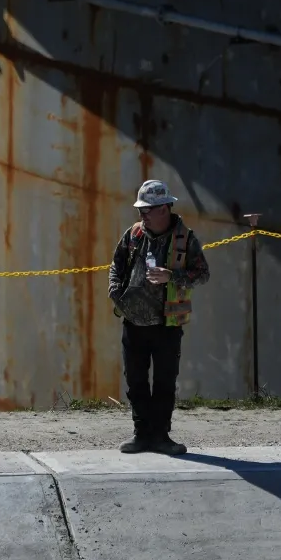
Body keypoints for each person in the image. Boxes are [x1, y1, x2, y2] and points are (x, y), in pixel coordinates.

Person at [107, 178, 210, 455]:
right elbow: (116, 264)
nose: (142, 216)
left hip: (167, 324)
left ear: (164, 209)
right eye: (141, 210)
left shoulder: (185, 239)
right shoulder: (134, 235)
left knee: (164, 382)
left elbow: (202, 274)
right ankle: (141, 435)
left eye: (147, 210)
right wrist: (115, 291)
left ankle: (161, 436)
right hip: (134, 322)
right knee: (136, 381)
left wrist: (172, 276)